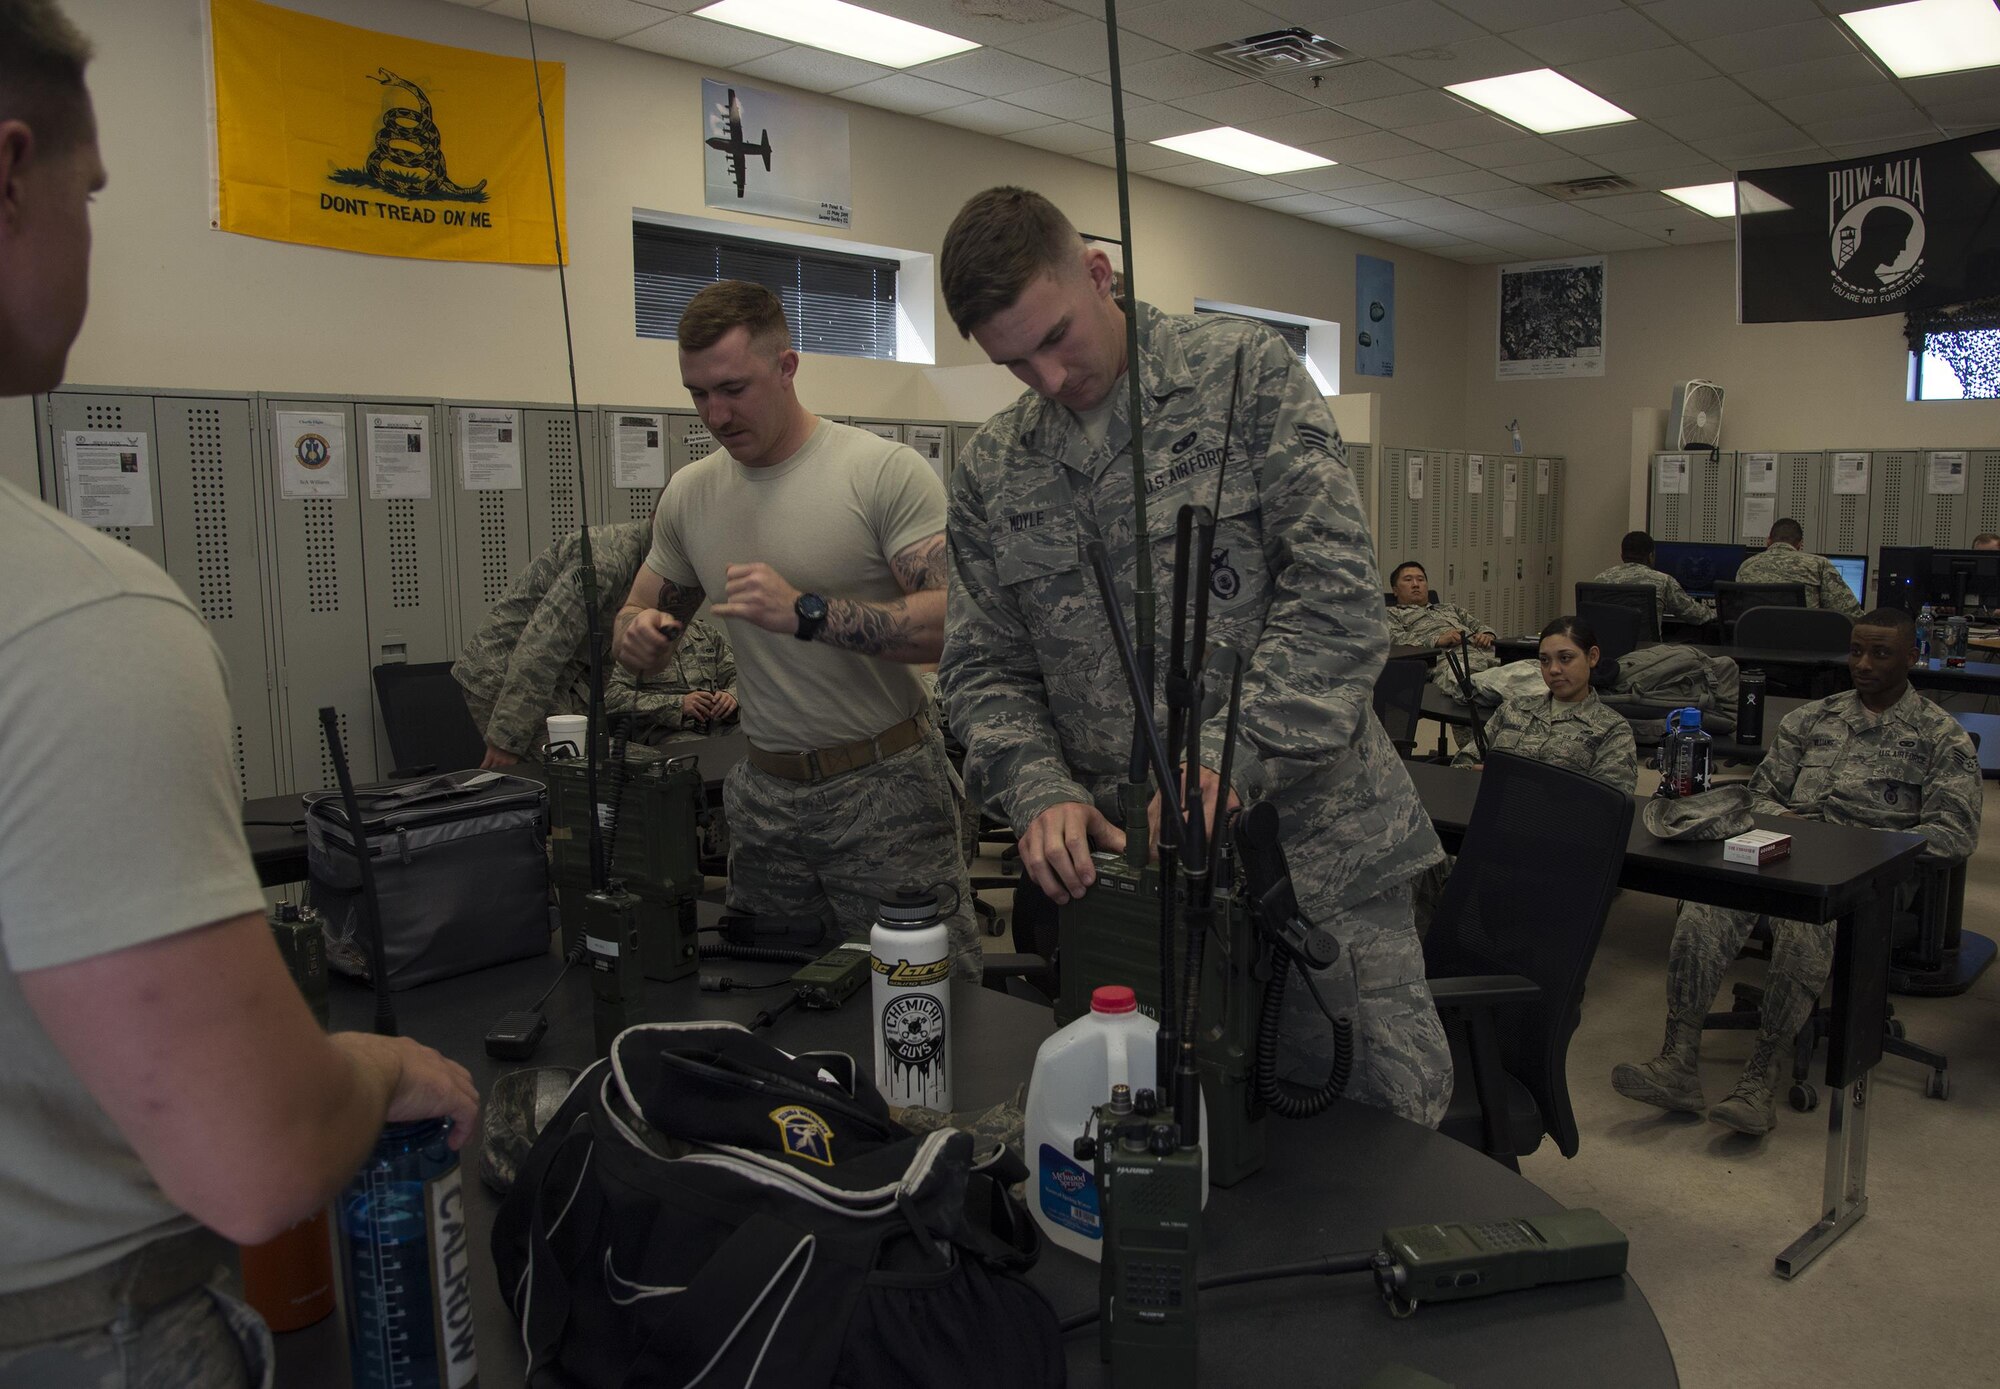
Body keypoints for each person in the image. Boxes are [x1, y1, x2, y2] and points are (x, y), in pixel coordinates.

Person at [0, 5, 478, 1379]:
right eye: (90, 198)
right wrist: (384, 1067)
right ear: (11, 171)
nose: (92, 236)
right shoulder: (73, 616)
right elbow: (257, 1159)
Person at [935, 186, 1451, 1127]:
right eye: (1014, 362)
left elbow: (1337, 604)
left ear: (1099, 273)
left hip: (1315, 860)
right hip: (1135, 891)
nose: (1047, 377)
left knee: (1373, 1141)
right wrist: (1041, 785)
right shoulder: (995, 469)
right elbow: (982, 671)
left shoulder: (1243, 374)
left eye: (1056, 337)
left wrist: (1223, 757)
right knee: (1170, 1148)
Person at [611, 281, 977, 979]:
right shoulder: (691, 493)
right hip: (766, 800)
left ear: (787, 367)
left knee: (926, 1003)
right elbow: (639, 612)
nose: (715, 413)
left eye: (733, 388)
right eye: (697, 394)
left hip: (884, 787)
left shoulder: (878, 472)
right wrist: (638, 635)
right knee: (766, 997)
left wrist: (808, 613)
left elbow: (946, 624)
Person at [1611, 608, 1980, 1136]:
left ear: (1911, 656)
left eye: (1880, 653)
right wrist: (1781, 822)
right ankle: (1677, 1062)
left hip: (1867, 878)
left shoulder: (1939, 736)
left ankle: (1760, 1080)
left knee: (1809, 925)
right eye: (1856, 651)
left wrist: (1861, 845)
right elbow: (1760, 794)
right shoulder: (1812, 719)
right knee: (1705, 905)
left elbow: (1955, 835)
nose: (1864, 664)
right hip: (1784, 854)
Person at [453, 520, 654, 767]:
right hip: (506, 676)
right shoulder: (607, 559)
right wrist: (508, 739)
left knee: (602, 768)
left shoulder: (648, 565)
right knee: (580, 772)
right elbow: (544, 645)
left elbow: (602, 651)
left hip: (558, 681)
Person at [1454, 615, 1638, 793]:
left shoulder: (1612, 729)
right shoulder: (1514, 709)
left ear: (1592, 657)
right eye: (1544, 660)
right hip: (1494, 817)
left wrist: (1513, 781)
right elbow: (1461, 766)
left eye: (1565, 658)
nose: (1554, 669)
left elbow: (1607, 803)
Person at [606, 615, 737, 744]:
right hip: (666, 730)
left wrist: (731, 695)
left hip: (719, 724)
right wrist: (679, 704)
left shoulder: (705, 633)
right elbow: (610, 695)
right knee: (701, 750)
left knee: (754, 740)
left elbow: (740, 675)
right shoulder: (634, 639)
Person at [1592, 529, 1714, 635]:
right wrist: (1719, 611)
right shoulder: (1663, 581)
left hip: (1607, 651)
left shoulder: (1600, 579)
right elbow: (1696, 615)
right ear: (1651, 556)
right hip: (1647, 653)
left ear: (1622, 556)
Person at [1734, 518, 1862, 616]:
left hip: (1754, 644)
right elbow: (1849, 613)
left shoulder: (1746, 566)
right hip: (1803, 644)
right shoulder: (1818, 564)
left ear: (1768, 541)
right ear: (1800, 544)